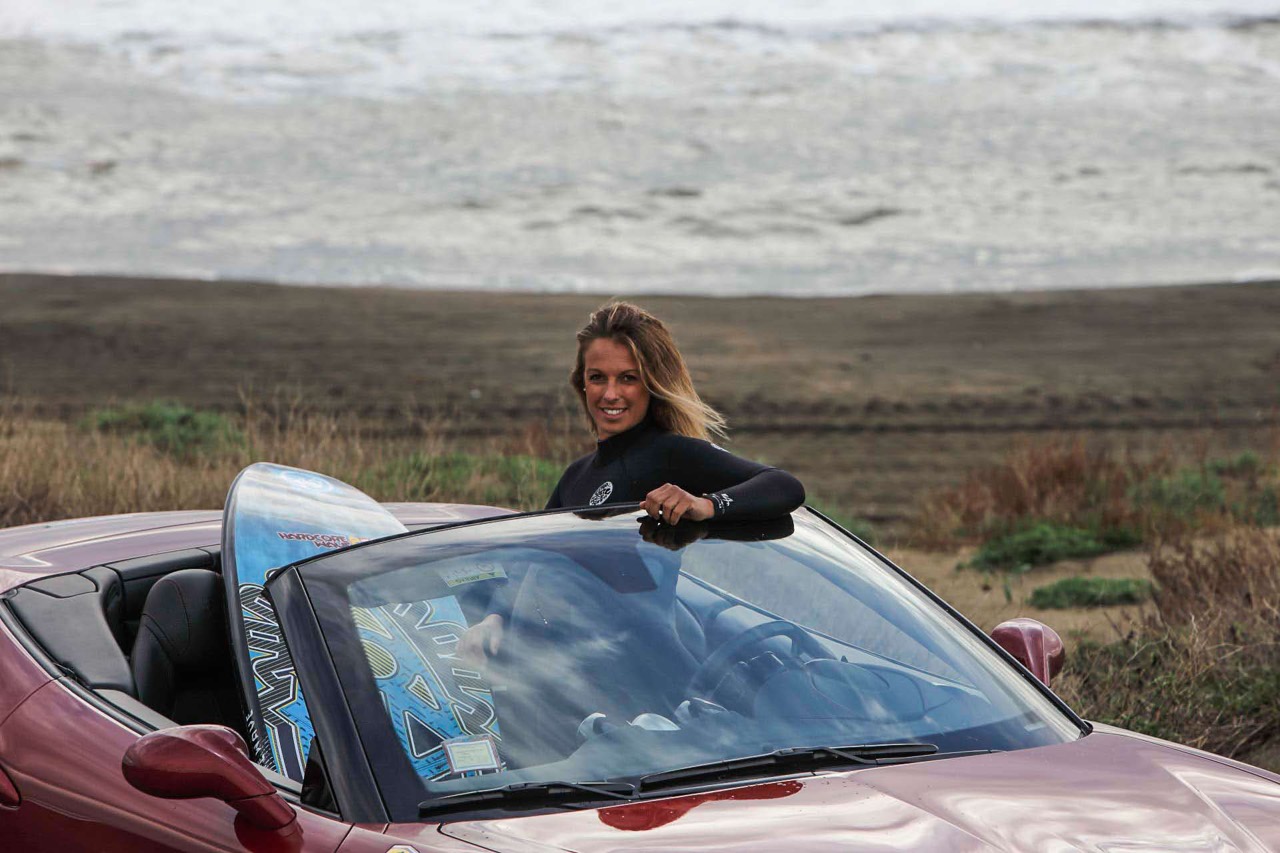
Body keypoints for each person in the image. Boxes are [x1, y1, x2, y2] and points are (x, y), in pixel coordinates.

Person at [460, 301, 804, 662]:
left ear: (652, 384)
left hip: (639, 675)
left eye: (628, 378)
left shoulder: (670, 454)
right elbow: (531, 564)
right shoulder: (576, 476)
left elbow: (783, 486)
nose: (610, 394)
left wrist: (704, 505)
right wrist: (494, 619)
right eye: (597, 378)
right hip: (560, 670)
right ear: (582, 384)